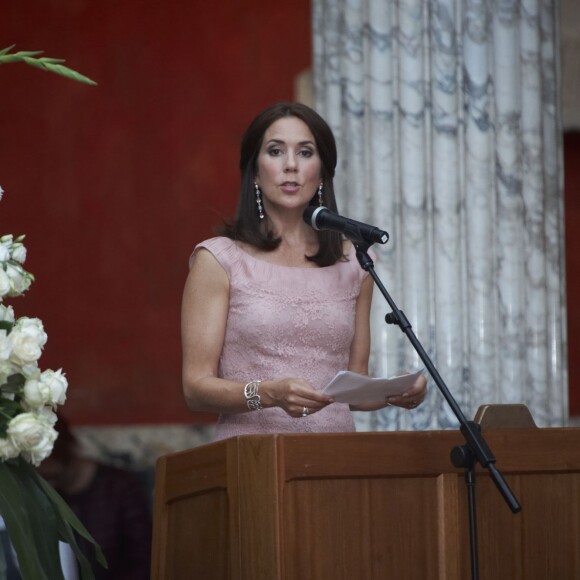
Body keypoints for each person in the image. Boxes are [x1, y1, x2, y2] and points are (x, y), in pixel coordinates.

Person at [181, 102, 427, 440]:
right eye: (276, 151)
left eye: (306, 152)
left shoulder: (353, 262)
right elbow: (195, 388)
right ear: (254, 169)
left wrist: (395, 390)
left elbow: (353, 386)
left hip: (335, 460)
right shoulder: (219, 260)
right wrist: (269, 393)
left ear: (323, 170)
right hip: (250, 458)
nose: (291, 166)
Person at [37, 416, 152, 580]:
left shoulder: (119, 487)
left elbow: (142, 556)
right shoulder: (49, 493)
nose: (50, 482)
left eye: (54, 476)